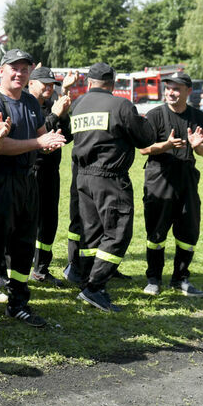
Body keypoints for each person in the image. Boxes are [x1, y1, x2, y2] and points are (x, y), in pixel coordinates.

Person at [0, 49, 66, 330]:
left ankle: (18, 304)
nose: (19, 73)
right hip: (0, 179)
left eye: (24, 69)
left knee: (23, 245)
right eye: (14, 68)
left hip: (28, 179)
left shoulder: (31, 101)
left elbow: (38, 135)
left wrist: (48, 140)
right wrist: (38, 144)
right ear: (1, 70)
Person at [68, 63, 156, 312]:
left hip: (82, 177)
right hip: (110, 177)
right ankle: (94, 288)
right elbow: (146, 138)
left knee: (92, 233)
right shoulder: (121, 105)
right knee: (118, 233)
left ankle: (87, 282)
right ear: (113, 82)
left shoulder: (78, 104)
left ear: (89, 82)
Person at [139, 71, 203, 297]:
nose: (170, 92)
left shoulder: (198, 116)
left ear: (188, 92)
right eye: (168, 88)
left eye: (176, 89)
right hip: (159, 178)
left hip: (187, 181)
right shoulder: (154, 115)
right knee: (156, 233)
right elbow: (143, 149)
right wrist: (166, 145)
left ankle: (181, 279)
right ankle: (153, 279)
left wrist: (197, 145)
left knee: (188, 232)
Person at [27, 66, 73, 285]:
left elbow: (68, 137)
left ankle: (42, 267)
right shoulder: (26, 105)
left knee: (49, 221)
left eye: (52, 83)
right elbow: (37, 135)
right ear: (31, 83)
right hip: (30, 170)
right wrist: (55, 114)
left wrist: (62, 115)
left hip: (51, 171)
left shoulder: (50, 104)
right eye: (44, 82)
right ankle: (14, 268)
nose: (49, 87)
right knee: (26, 221)